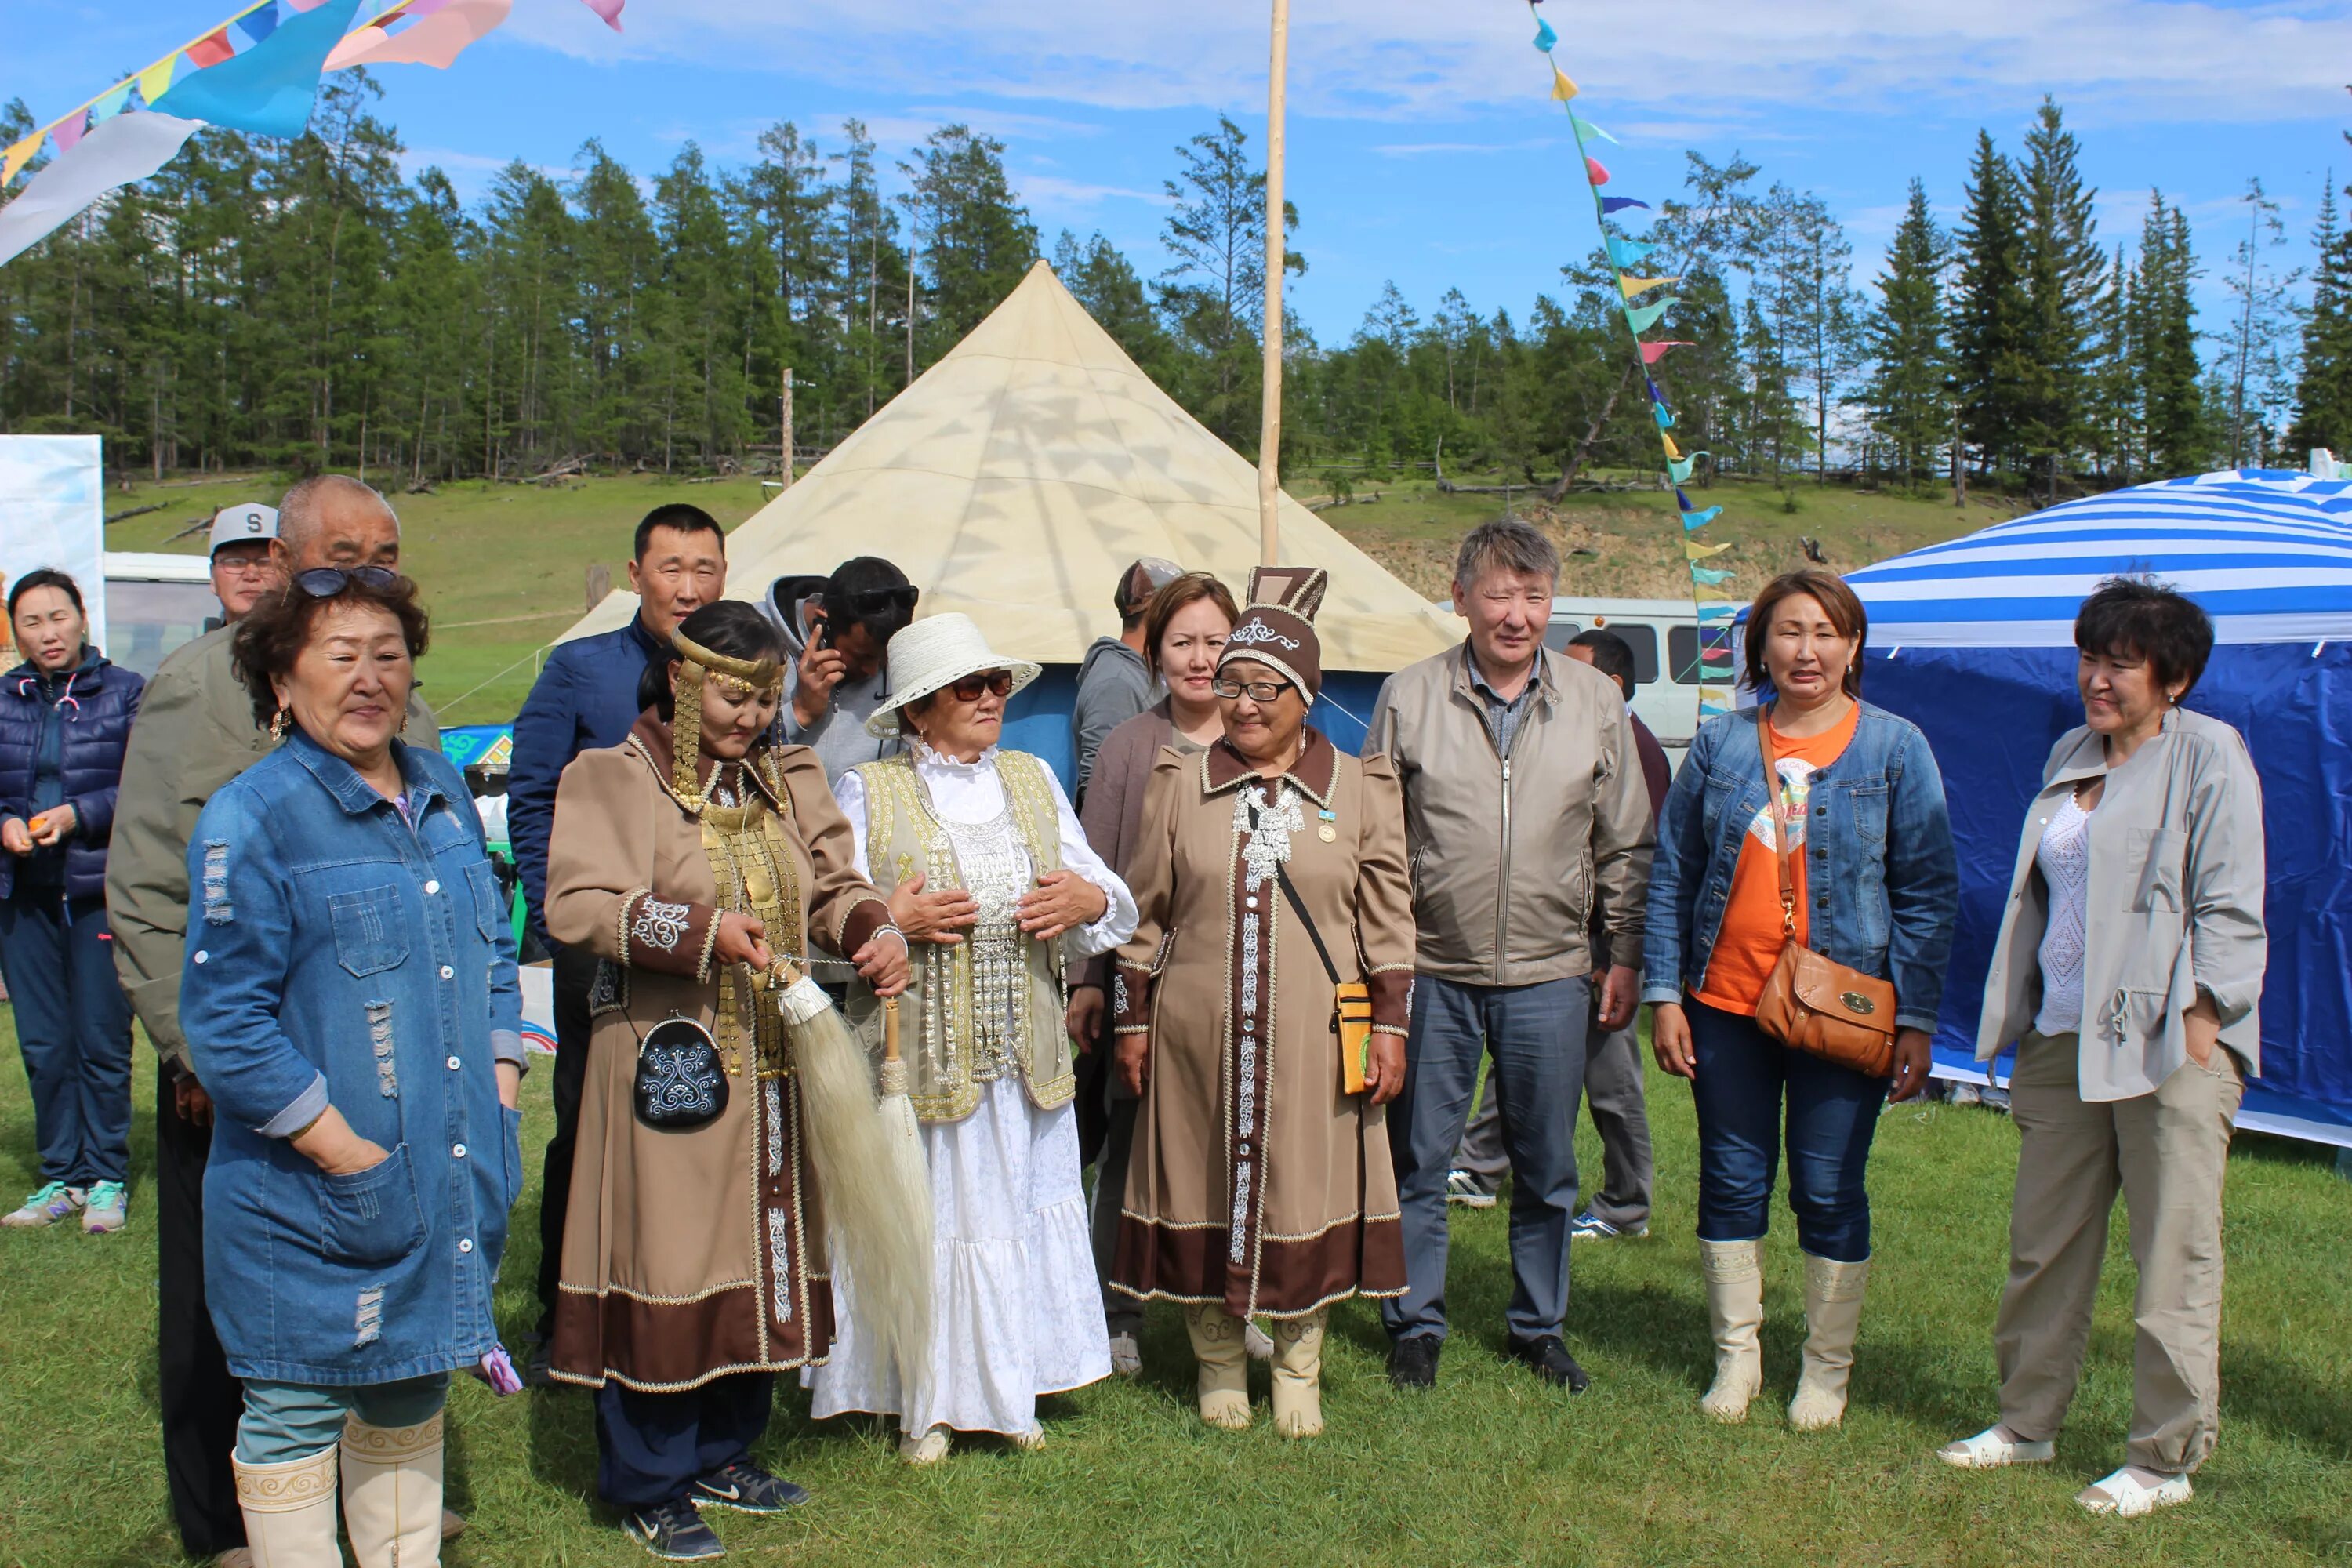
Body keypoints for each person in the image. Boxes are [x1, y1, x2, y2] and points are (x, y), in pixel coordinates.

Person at [107, 474, 445, 1566]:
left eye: (387, 554)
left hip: (378, 1062)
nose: (369, 572)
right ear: (285, 562)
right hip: (237, 1063)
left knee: (388, 1304)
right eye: (345, 552)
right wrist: (190, 1050)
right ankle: (230, 1531)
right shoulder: (197, 686)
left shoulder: (399, 688)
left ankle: (379, 1510)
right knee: (230, 1320)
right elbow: (149, 885)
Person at [543, 601, 911, 1560]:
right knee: (672, 1254)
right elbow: (578, 903)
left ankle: (725, 1448)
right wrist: (703, 933)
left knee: (764, 1239)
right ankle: (649, 1475)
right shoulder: (613, 778)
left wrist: (873, 932)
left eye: (759, 697)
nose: (747, 715)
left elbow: (834, 882)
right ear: (678, 679)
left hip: (783, 1061)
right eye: (727, 693)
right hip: (675, 1056)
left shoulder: (788, 777)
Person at [178, 568, 523, 1568]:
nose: (372, 676)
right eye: (342, 656)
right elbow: (228, 1023)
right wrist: (345, 1154)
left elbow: (493, 951)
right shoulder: (255, 816)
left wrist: (498, 1093)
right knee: (293, 1404)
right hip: (311, 1192)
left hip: (448, 1166)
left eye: (390, 653)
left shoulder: (441, 784)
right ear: (281, 680)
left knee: (412, 1383)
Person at [1938, 579, 2264, 1519]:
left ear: (2176, 677)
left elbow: (2233, 903)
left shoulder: (2210, 755)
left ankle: (2163, 1458)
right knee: (2045, 1244)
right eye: (2089, 656)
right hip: (2063, 1041)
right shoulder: (2070, 749)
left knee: (2173, 1256)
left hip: (2168, 1045)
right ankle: (2026, 1421)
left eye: (2120, 661)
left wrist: (2204, 1020)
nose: (2097, 677)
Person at [809, 612, 1135, 1463]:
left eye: (997, 683)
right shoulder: (868, 793)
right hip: (920, 1058)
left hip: (1021, 1055)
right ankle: (927, 1399)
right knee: (934, 1217)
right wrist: (892, 919)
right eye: (970, 686)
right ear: (919, 708)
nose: (992, 697)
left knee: (1010, 1213)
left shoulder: (1030, 780)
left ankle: (1010, 1385)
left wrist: (1085, 902)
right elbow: (825, 915)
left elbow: (1105, 887)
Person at [1645, 568, 1956, 1429]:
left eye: (1825, 631)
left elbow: (1928, 891)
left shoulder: (1896, 747)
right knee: (1732, 1177)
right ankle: (1737, 1360)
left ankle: (1824, 1370)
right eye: (1788, 631)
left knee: (1826, 1186)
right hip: (1727, 1000)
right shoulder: (1721, 743)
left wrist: (1918, 1019)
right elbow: (1673, 870)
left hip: (1843, 1008)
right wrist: (1666, 992)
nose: (1806, 649)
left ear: (1852, 646)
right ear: (1761, 647)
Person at [1108, 566, 1413, 1438]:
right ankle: (1214, 1362)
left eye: (1264, 688)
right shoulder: (1180, 777)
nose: (1241, 704)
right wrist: (1134, 1019)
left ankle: (1297, 1363)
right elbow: (1143, 912)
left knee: (1300, 1190)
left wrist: (1388, 1025)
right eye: (1231, 685)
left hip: (1315, 1040)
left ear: (1306, 695)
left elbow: (1389, 918)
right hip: (1195, 1036)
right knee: (1201, 1176)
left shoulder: (1358, 786)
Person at [1368, 521, 1654, 1394]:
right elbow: (1380, 842)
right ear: (1461, 598)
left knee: (1546, 1163)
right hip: (1436, 969)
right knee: (1421, 1158)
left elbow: (1626, 842)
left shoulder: (1593, 700)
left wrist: (1625, 952)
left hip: (1551, 970)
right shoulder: (1409, 695)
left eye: (1533, 595)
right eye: (1499, 593)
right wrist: (1387, 962)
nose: (1517, 614)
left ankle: (1538, 1325)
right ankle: (1415, 1322)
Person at [508, 503, 727, 1382]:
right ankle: (568, 1306)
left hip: (715, 948)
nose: (687, 585)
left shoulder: (737, 672)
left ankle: (694, 1294)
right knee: (588, 1123)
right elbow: (531, 796)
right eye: (670, 567)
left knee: (702, 1121)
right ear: (635, 574)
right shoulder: (580, 669)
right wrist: (563, 911)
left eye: (704, 568)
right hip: (603, 945)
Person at [1063, 570, 1237, 1375]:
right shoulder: (1133, 745)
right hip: (1145, 983)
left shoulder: (1261, 733)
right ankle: (1118, 1307)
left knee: (1238, 1141)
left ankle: (1238, 1301)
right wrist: (1090, 980)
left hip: (1242, 979)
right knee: (1128, 1145)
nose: (1200, 659)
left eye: (1215, 641)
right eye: (1183, 643)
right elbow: (1093, 871)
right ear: (1155, 649)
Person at [1445, 628, 1671, 1243]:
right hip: (1550, 944)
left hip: (1599, 947)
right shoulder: (1573, 729)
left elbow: (1625, 853)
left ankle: (1627, 1204)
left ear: (1612, 685)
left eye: (1576, 672)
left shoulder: (1637, 749)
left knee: (1612, 1084)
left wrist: (1611, 952)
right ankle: (1480, 1166)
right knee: (1521, 1064)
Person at [0, 570, 142, 1235]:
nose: (48, 633)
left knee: (100, 1040)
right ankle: (62, 1176)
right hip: (23, 896)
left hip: (96, 892)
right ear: (16, 632)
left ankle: (107, 1176)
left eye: (58, 617)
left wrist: (78, 814)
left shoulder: (125, 694)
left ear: (82, 618)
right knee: (44, 1044)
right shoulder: (4, 699)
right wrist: (5, 821)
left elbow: (143, 790)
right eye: (31, 622)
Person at [766, 557, 920, 784]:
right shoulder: (754, 638)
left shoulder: (900, 659)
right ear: (823, 623)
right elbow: (723, 749)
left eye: (884, 659)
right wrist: (799, 713)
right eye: (862, 656)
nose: (872, 671)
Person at [1071, 556, 1183, 801]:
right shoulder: (1116, 683)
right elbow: (1099, 789)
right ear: (1158, 612)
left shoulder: (1149, 671)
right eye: (1182, 610)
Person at [206, 503, 280, 630]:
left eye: (266, 562)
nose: (251, 575)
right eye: (235, 562)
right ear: (213, 577)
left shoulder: (317, 648)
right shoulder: (196, 650)